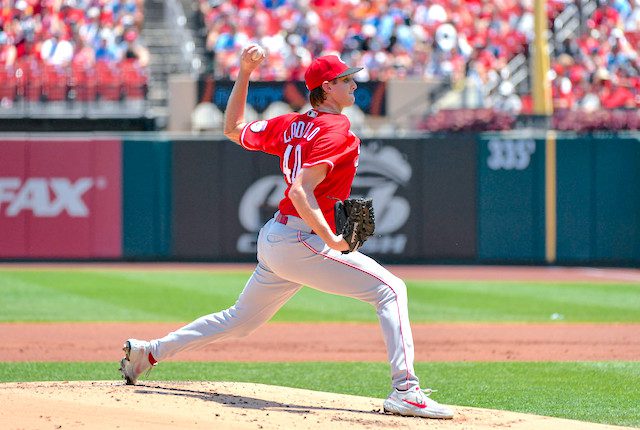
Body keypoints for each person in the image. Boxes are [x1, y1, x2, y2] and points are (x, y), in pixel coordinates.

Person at [119, 45, 454, 420]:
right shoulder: (335, 126)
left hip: (277, 238)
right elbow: (299, 191)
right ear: (326, 87)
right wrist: (332, 240)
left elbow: (232, 128)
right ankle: (406, 390)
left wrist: (244, 72)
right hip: (301, 240)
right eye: (346, 80)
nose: (354, 85)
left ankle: (148, 352)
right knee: (391, 290)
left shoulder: (291, 123)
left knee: (239, 321)